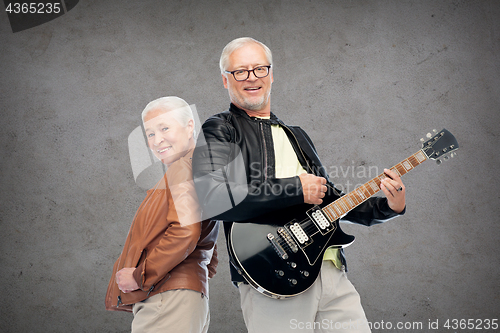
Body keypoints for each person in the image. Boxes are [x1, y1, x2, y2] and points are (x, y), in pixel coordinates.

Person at [192, 37, 406, 333]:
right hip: (272, 271)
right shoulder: (220, 128)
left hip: (329, 268)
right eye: (240, 71)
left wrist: (388, 206)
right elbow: (211, 198)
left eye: (259, 69)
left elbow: (331, 201)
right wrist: (295, 188)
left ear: (272, 74)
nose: (252, 78)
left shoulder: (297, 135)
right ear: (225, 81)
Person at [105, 96, 219, 333]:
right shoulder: (196, 168)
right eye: (150, 133)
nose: (157, 140)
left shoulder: (182, 169)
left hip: (167, 298)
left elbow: (185, 232)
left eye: (164, 128)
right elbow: (208, 246)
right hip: (180, 297)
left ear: (190, 127)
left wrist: (139, 275)